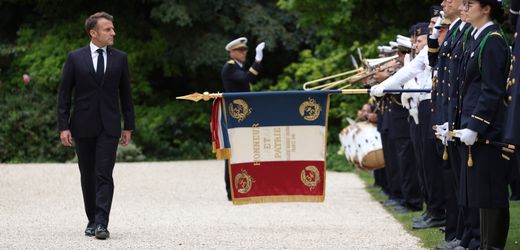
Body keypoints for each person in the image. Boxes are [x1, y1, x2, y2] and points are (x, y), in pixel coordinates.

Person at [57, 11, 135, 240]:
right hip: (81, 125)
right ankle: (91, 219)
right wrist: (63, 126)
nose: (113, 32)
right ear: (93, 32)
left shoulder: (120, 58)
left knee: (104, 174)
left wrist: (128, 126)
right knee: (87, 174)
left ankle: (102, 222)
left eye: (113, 28)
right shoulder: (75, 58)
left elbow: (126, 94)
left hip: (109, 126)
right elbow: (64, 95)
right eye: (108, 29)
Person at [453, 0, 510, 248]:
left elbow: (491, 90)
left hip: (489, 129)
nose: (464, 8)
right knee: (476, 189)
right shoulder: (477, 38)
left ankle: (491, 245)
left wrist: (476, 125)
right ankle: (480, 242)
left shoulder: (493, 39)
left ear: (486, 8)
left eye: (469, 3)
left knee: (489, 189)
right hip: (473, 124)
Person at [221, 37, 265, 200]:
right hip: (235, 114)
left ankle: (242, 186)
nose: (243, 53)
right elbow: (248, 78)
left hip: (241, 114)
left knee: (243, 149)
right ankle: (231, 190)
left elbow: (249, 78)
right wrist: (258, 59)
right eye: (240, 50)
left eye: (245, 50)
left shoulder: (237, 67)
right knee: (233, 151)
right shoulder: (230, 67)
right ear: (232, 53)